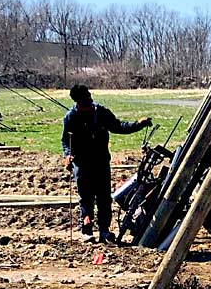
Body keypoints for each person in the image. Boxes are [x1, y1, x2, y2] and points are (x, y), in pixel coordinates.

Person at [62, 84, 151, 241]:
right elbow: (65, 141)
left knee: (104, 198)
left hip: (101, 162)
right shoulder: (70, 117)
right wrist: (68, 156)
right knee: (86, 200)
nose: (89, 104)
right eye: (85, 102)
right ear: (77, 102)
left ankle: (104, 230)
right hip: (82, 165)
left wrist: (138, 125)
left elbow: (118, 126)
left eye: (89, 99)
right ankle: (87, 231)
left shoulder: (100, 112)